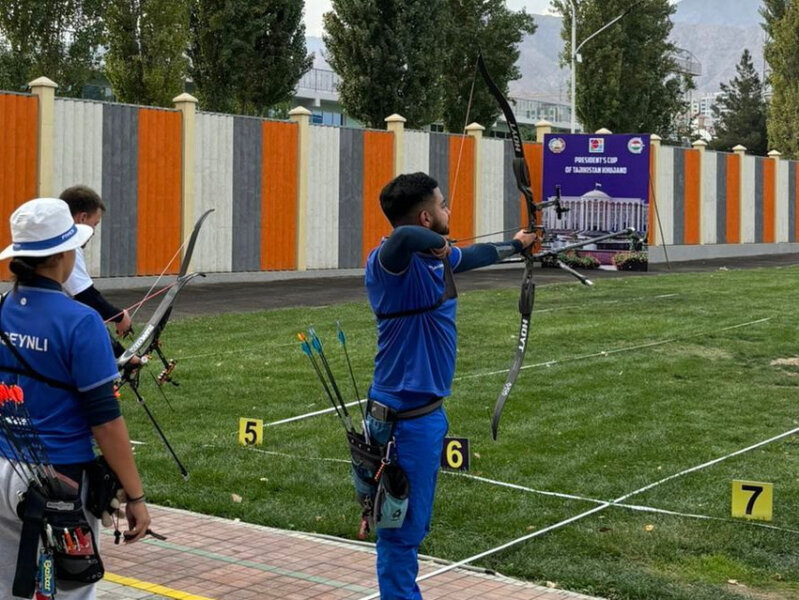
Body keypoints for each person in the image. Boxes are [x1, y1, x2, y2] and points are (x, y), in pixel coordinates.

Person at [364, 172, 536, 599]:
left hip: (421, 416)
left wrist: (517, 245)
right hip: (402, 422)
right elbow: (403, 237)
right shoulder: (388, 262)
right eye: (442, 206)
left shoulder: (431, 259)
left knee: (407, 525)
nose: (449, 211)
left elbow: (473, 255)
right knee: (400, 533)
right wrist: (437, 244)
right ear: (426, 216)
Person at [0, 198, 150, 599]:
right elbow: (105, 419)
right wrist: (135, 495)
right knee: (69, 588)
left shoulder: (2, 310)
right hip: (60, 480)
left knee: (9, 586)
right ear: (64, 254)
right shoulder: (81, 321)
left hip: (3, 467)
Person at [59, 185, 132, 347]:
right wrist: (119, 316)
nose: (93, 231)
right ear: (82, 218)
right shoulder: (68, 246)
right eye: (95, 224)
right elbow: (86, 296)